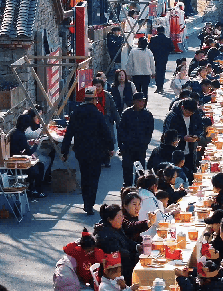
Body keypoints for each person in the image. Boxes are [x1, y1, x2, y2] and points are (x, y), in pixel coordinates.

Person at [62, 87, 115, 215]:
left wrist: (65, 150)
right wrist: (111, 147)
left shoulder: (76, 112)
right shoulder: (97, 114)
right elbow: (105, 132)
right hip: (96, 152)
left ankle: (86, 202)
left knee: (85, 177)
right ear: (95, 100)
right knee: (94, 178)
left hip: (81, 151)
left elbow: (69, 133)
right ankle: (90, 204)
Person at [93, 204, 137, 284]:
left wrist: (138, 247)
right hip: (114, 275)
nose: (123, 219)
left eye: (122, 216)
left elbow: (127, 241)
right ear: (110, 219)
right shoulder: (105, 236)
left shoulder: (115, 227)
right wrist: (137, 256)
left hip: (123, 266)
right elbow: (121, 254)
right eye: (119, 217)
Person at [118, 91, 154, 186]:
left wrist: (145, 142)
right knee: (127, 169)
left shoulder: (148, 115)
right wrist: (121, 146)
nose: (142, 103)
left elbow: (149, 131)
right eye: (139, 101)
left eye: (143, 101)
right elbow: (121, 130)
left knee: (140, 170)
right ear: (134, 101)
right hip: (128, 147)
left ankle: (139, 187)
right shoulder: (126, 113)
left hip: (140, 147)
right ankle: (128, 187)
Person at [7, 114, 46, 197]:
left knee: (38, 165)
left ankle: (33, 189)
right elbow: (29, 151)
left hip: (13, 160)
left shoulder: (14, 132)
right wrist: (36, 144)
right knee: (40, 166)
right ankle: (36, 190)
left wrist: (28, 142)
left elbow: (20, 145)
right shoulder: (21, 135)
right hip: (17, 164)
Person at [162, 98, 203, 172]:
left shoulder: (195, 114)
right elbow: (168, 134)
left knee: (190, 173)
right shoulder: (172, 116)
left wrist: (197, 135)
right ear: (182, 107)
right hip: (176, 152)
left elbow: (200, 126)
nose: (189, 115)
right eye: (187, 112)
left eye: (191, 113)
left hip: (190, 150)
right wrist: (182, 138)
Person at [92, 78, 119, 168]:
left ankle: (106, 160)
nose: (97, 88)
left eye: (99, 86)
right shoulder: (90, 95)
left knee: (107, 139)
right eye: (95, 86)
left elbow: (113, 109)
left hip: (106, 120)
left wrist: (118, 121)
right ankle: (99, 159)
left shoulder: (107, 95)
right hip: (95, 121)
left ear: (102, 86)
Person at [149, 26, 174, 93]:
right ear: (164, 31)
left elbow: (149, 47)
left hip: (155, 57)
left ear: (157, 31)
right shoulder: (167, 39)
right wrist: (167, 52)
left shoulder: (153, 39)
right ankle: (161, 87)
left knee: (157, 71)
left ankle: (158, 87)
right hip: (164, 57)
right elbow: (172, 48)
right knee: (162, 72)